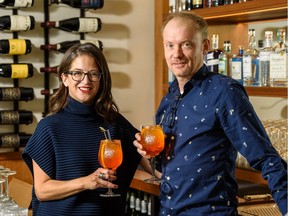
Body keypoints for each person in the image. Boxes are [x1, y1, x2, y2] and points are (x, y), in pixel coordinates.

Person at [133, 12, 287, 216]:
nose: (176, 54)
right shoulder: (168, 98)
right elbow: (171, 166)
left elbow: (265, 157)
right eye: (170, 45)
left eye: (186, 44)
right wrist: (150, 154)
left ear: (205, 47)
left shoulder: (224, 91)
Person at [22, 43, 144, 216]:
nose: (85, 80)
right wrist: (86, 182)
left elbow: (151, 160)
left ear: (101, 79)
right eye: (77, 73)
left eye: (93, 74)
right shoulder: (49, 127)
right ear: (65, 78)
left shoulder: (115, 123)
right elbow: (42, 191)